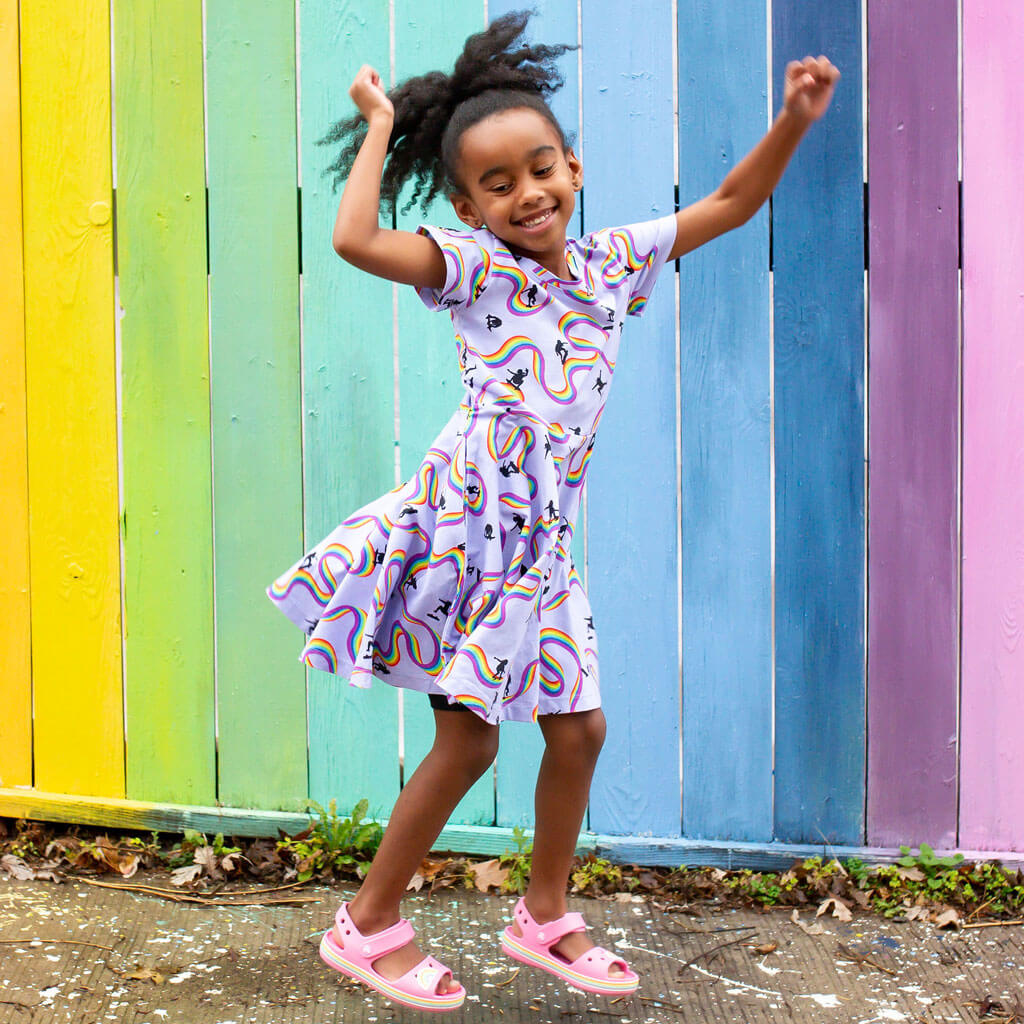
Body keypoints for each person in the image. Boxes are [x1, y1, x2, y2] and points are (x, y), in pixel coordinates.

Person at [266, 10, 838, 1012]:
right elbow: (354, 237)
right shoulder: (473, 268)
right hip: (466, 534)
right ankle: (363, 925)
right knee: (472, 740)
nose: (525, 194)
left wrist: (792, 116)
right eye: (496, 184)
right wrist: (374, 122)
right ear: (466, 205)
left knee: (577, 734)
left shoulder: (616, 264)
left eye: (540, 169)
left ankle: (541, 913)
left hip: (541, 549)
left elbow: (734, 201)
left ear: (571, 165)